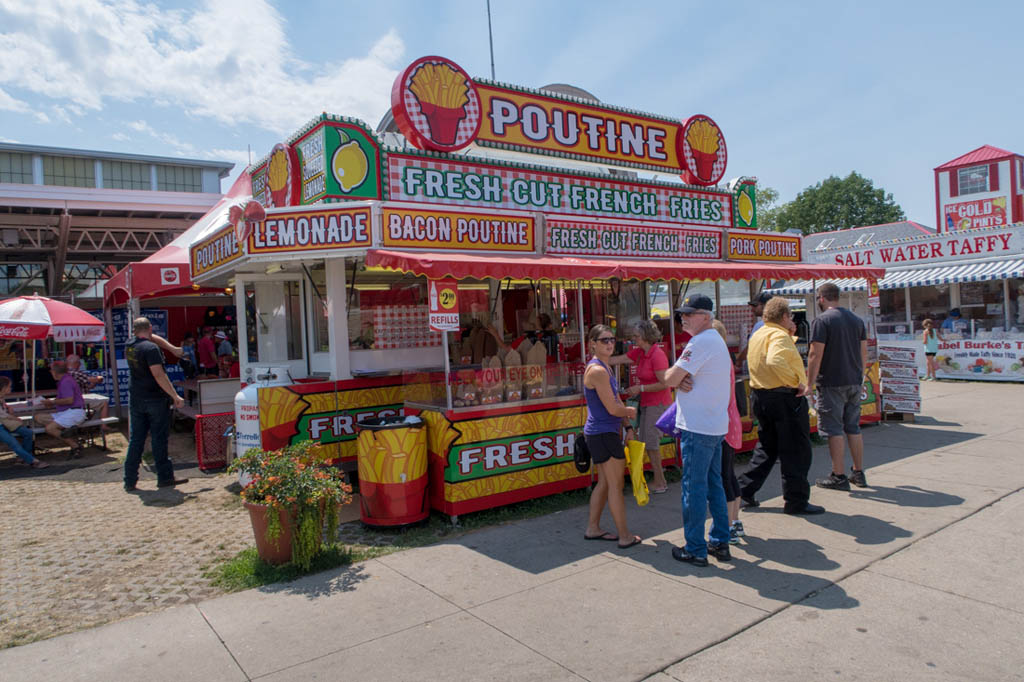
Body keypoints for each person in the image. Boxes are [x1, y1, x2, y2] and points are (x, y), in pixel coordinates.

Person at [656, 294, 732, 567]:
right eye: (682, 314)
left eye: (690, 313)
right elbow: (682, 379)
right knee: (713, 484)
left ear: (706, 316)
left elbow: (670, 378)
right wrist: (681, 379)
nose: (683, 318)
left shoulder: (700, 342)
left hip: (699, 427)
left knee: (694, 487)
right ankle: (720, 540)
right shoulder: (714, 341)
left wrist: (674, 377)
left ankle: (696, 548)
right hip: (712, 425)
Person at [737, 297, 825, 515]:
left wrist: (789, 334)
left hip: (761, 395)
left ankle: (743, 490)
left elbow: (774, 355)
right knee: (796, 450)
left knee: (767, 447)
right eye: (790, 316)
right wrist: (798, 383)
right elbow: (776, 359)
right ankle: (796, 500)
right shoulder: (777, 335)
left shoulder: (760, 333)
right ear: (785, 316)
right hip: (784, 396)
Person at [582, 324, 642, 549]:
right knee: (615, 486)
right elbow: (614, 408)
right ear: (593, 344)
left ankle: (593, 528)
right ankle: (624, 536)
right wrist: (631, 413)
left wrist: (627, 427)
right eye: (604, 340)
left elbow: (617, 401)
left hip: (603, 433)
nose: (609, 344)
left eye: (612, 340)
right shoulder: (597, 370)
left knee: (606, 484)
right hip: (603, 433)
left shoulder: (604, 367)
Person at [807, 283, 869, 491]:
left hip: (831, 381)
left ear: (822, 298)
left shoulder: (822, 321)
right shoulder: (856, 320)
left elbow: (816, 354)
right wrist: (860, 376)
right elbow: (863, 352)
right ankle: (858, 472)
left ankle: (838, 474)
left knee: (834, 430)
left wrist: (809, 383)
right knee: (853, 427)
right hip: (853, 380)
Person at [123, 317, 187, 492]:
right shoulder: (151, 349)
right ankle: (165, 478)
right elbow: (159, 375)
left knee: (136, 440)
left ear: (134, 330)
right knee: (159, 439)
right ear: (150, 328)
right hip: (155, 399)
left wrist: (173, 349)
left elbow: (151, 338)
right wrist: (175, 396)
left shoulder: (130, 344)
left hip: (136, 397)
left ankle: (129, 480)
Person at [607, 320, 671, 493]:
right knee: (647, 442)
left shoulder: (657, 355)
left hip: (658, 404)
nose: (633, 339)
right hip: (647, 403)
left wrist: (640, 388)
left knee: (651, 444)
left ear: (645, 337)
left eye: (636, 336)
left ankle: (660, 482)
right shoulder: (641, 353)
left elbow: (664, 383)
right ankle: (659, 479)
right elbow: (619, 359)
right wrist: (599, 359)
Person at [711, 320, 744, 543]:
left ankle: (730, 524)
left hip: (723, 423)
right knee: (729, 473)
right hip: (731, 420)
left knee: (724, 476)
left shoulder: (719, 360)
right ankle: (735, 521)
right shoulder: (726, 357)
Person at [35, 361, 87, 457]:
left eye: (51, 370)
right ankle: (67, 431)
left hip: (74, 411)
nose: (50, 372)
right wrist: (53, 403)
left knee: (50, 428)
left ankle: (75, 445)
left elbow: (69, 400)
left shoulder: (66, 381)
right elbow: (65, 399)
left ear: (54, 372)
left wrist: (52, 402)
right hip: (67, 412)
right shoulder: (64, 380)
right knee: (39, 417)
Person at [0, 376, 47, 468]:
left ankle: (25, 457)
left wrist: (7, 407)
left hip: (5, 424)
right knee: (14, 443)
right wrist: (14, 418)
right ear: (4, 388)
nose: (11, 388)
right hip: (2, 425)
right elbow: (2, 414)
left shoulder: (2, 397)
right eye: (9, 386)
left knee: (28, 433)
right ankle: (33, 461)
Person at [65, 354, 110, 424]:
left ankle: (86, 425)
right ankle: (104, 426)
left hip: (67, 401)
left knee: (91, 409)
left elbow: (87, 387)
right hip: (79, 402)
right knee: (104, 403)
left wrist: (94, 383)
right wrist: (99, 378)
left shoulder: (64, 374)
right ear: (77, 363)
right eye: (79, 363)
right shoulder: (76, 373)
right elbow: (93, 379)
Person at [734, 291, 772, 370]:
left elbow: (750, 347)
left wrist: (739, 361)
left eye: (755, 305)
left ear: (765, 306)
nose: (752, 308)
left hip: (763, 369)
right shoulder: (780, 323)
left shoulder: (760, 325)